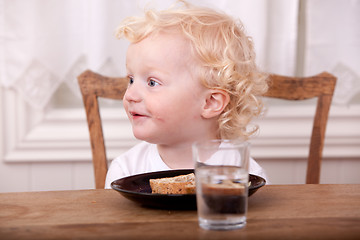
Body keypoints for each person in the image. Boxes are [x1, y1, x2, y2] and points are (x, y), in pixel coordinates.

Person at [105, 1, 269, 188]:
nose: (130, 95)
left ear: (210, 102)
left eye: (152, 82)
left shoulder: (245, 175)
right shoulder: (125, 173)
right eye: (131, 79)